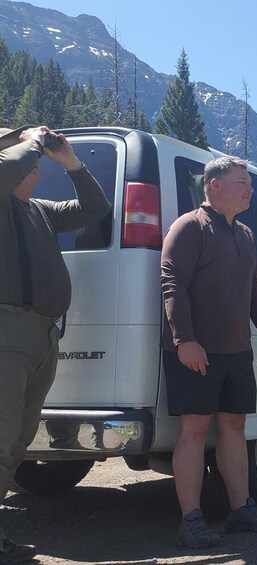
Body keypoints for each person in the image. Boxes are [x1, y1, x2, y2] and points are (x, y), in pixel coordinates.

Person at [0, 125, 110, 563]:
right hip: (7, 332)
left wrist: (71, 163)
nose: (35, 158)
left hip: (43, 335)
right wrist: (29, 139)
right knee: (1, 435)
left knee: (18, 440)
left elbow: (96, 208)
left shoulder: (40, 209)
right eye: (20, 148)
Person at [161, 156, 257, 549]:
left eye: (250, 184)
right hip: (196, 350)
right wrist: (185, 341)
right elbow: (171, 284)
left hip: (237, 351)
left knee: (234, 428)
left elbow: (256, 290)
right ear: (214, 185)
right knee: (194, 429)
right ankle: (191, 519)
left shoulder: (245, 234)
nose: (250, 190)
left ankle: (241, 509)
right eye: (242, 183)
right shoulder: (189, 226)